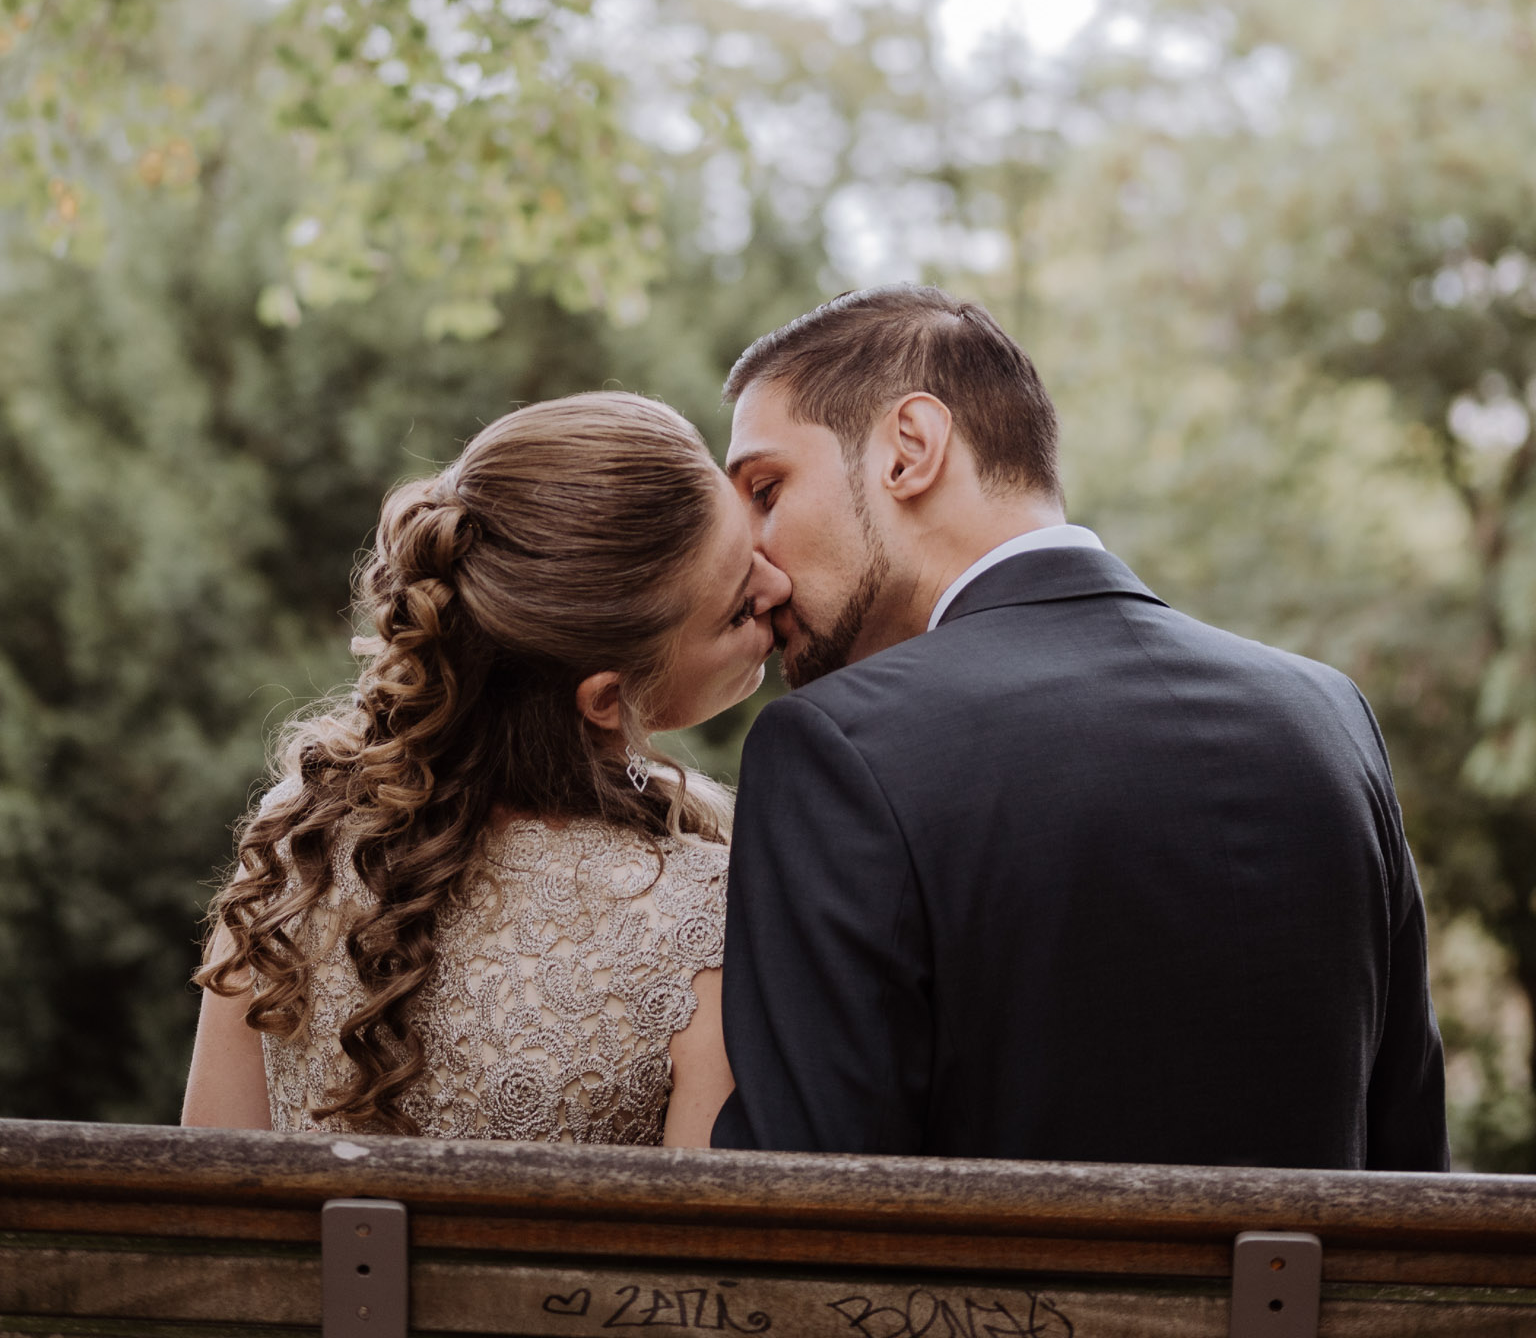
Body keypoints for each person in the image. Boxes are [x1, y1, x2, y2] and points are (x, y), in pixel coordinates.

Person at [711, 286, 1449, 1170]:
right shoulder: (1329, 715)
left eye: (765, 489)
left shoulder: (834, 748)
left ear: (910, 449)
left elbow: (798, 1204)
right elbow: (1409, 1161)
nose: (752, 555)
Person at [182, 392, 787, 1145]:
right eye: (737, 608)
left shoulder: (297, 849)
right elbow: (701, 1247)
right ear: (606, 698)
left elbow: (212, 1192)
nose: (778, 587)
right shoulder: (710, 917)